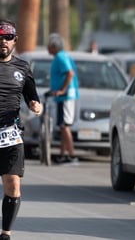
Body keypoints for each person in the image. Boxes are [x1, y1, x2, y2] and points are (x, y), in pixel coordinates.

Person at [0, 19, 42, 240]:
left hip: (10, 134)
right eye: (0, 38)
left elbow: (32, 95)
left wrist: (36, 104)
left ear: (15, 40)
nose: (3, 42)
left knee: (13, 184)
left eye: (8, 37)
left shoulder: (22, 68)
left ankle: (5, 232)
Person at [47, 33, 79, 164]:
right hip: (62, 97)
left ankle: (71, 156)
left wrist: (62, 90)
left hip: (66, 96)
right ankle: (62, 155)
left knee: (65, 126)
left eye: (49, 45)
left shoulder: (60, 57)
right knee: (62, 126)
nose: (47, 48)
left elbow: (69, 73)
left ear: (54, 46)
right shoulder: (61, 57)